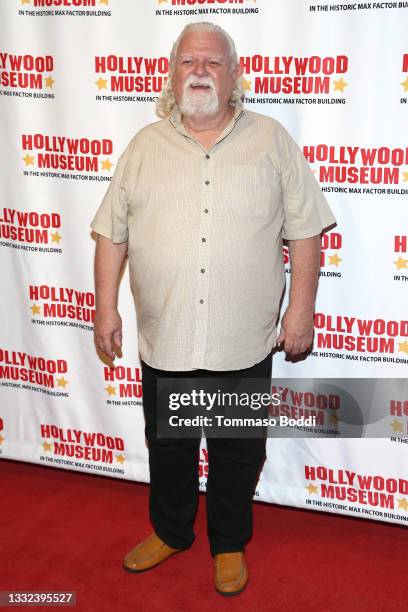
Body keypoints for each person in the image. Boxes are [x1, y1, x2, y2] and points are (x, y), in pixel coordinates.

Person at [90, 21, 336, 596]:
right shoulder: (143, 147)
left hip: (240, 338)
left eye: (213, 62)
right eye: (188, 62)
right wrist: (105, 309)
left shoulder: (271, 140)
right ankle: (172, 532)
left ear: (234, 75)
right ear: (171, 74)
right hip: (166, 335)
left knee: (235, 452)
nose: (200, 71)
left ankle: (229, 544)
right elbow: (111, 234)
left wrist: (300, 313)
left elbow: (305, 233)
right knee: (169, 447)